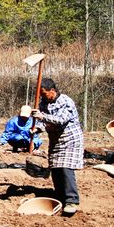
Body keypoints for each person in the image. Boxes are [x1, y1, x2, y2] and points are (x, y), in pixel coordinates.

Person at [31, 78, 83, 216]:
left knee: (66, 169)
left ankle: (72, 200)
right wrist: (38, 128)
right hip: (56, 140)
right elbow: (43, 122)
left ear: (52, 91)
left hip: (70, 140)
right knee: (56, 169)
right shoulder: (43, 103)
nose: (42, 97)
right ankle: (60, 196)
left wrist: (42, 117)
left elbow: (61, 120)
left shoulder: (66, 102)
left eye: (44, 94)